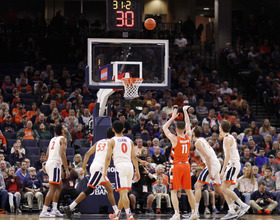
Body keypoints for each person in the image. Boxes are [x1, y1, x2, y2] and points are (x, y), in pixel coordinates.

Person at [62, 128, 118, 219]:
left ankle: (116, 211)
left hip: (94, 166)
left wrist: (84, 168)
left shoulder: (99, 142)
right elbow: (108, 159)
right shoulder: (112, 143)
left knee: (109, 188)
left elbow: (87, 153)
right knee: (89, 189)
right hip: (100, 168)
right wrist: (105, 170)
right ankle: (70, 207)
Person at [162, 106, 198, 220]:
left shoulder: (174, 138)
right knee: (188, 190)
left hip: (177, 166)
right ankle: (194, 213)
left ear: (176, 129)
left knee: (173, 191)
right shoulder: (188, 136)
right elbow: (188, 123)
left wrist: (172, 117)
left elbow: (164, 127)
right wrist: (185, 111)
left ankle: (177, 214)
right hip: (186, 165)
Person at [104, 121, 140, 220]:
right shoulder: (129, 140)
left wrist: (105, 170)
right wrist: (137, 170)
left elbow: (107, 158)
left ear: (113, 130)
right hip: (130, 166)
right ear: (123, 130)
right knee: (123, 193)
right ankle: (117, 214)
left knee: (123, 193)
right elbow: (134, 157)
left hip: (120, 167)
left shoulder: (112, 141)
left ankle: (129, 214)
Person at [219, 120, 250, 219]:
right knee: (226, 189)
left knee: (224, 189)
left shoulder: (227, 139)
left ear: (221, 128)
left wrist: (223, 170)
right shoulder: (230, 137)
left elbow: (227, 156)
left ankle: (243, 205)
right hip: (234, 164)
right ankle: (232, 210)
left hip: (232, 164)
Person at [39, 124, 70, 217]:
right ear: (62, 131)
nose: (66, 128)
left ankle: (55, 209)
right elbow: (63, 154)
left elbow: (47, 153)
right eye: (64, 127)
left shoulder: (52, 139)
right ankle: (44, 211)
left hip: (50, 163)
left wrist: (47, 165)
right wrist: (66, 169)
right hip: (54, 164)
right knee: (52, 188)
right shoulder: (63, 139)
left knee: (59, 185)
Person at [192, 126, 223, 214]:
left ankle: (195, 212)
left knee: (197, 186)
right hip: (216, 164)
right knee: (218, 190)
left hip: (212, 165)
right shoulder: (202, 139)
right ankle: (235, 205)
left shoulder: (198, 142)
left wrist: (209, 171)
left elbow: (207, 157)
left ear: (193, 133)